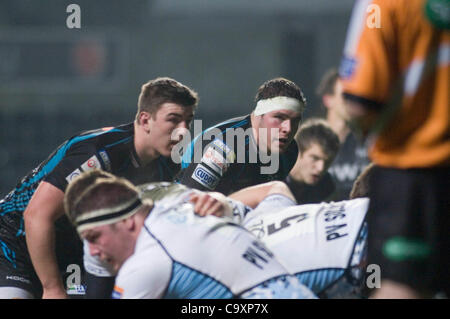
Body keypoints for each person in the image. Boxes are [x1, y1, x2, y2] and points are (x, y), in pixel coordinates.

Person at [0, 77, 199, 299]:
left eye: (188, 121)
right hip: (13, 244)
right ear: (145, 120)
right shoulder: (100, 152)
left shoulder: (169, 163)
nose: (183, 131)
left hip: (73, 252)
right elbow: (36, 216)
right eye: (174, 120)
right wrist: (52, 288)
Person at [339, 0, 449, 298]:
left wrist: (367, 135)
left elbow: (361, 102)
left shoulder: (383, 5)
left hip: (412, 176)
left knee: (398, 288)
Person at [67, 175, 317, 299]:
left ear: (128, 221)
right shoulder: (183, 207)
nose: (93, 250)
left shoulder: (144, 265)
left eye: (95, 237)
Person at [177, 77, 306, 195]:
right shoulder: (223, 146)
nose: (288, 129)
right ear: (258, 115)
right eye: (279, 117)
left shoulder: (290, 151)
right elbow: (189, 202)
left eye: (295, 121)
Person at [316, 68, 370, 200]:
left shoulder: (368, 140)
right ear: (328, 100)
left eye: (353, 96)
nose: (351, 101)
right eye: (345, 95)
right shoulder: (309, 142)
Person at [284, 118, 340, 204]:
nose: (320, 168)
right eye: (315, 158)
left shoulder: (326, 185)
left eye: (327, 162)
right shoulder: (270, 178)